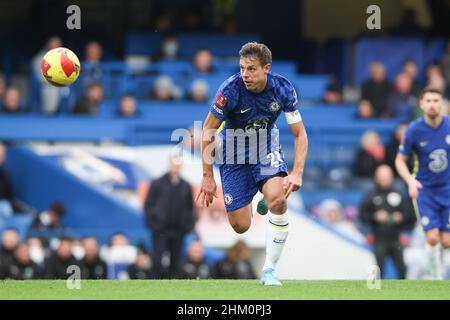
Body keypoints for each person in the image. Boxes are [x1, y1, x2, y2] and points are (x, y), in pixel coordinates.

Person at [196, 42, 308, 286]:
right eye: (242, 68)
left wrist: (297, 172)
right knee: (240, 226)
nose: (245, 74)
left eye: (251, 69)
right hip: (233, 152)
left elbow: (300, 134)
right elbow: (207, 130)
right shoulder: (230, 90)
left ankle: (269, 270)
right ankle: (258, 196)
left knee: (278, 200)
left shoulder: (283, 89)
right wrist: (207, 175)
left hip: (265, 147)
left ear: (266, 68)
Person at [396, 87, 450, 279]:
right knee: (433, 238)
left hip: (447, 189)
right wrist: (410, 180)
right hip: (425, 190)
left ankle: (442, 272)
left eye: (436, 100)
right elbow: (399, 160)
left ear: (442, 103)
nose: (432, 104)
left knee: (446, 241)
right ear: (421, 104)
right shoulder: (414, 129)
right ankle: (433, 273)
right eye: (428, 101)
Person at [360, 165, 416, 279]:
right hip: (379, 238)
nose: (384, 179)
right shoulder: (371, 195)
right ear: (376, 178)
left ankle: (403, 295)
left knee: (402, 269)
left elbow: (410, 216)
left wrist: (400, 217)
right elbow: (362, 216)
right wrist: (374, 216)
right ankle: (377, 295)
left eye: (387, 176)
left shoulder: (398, 193)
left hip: (395, 237)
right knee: (378, 270)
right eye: (382, 176)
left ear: (391, 177)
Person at [144, 156, 196, 278]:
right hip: (160, 229)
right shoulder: (157, 183)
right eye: (174, 164)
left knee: (176, 259)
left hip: (178, 230)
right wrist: (153, 224)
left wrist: (188, 226)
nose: (176, 167)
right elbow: (148, 205)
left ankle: (172, 283)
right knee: (158, 258)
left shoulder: (185, 185)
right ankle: (156, 282)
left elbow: (190, 207)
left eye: (178, 164)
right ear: (169, 164)